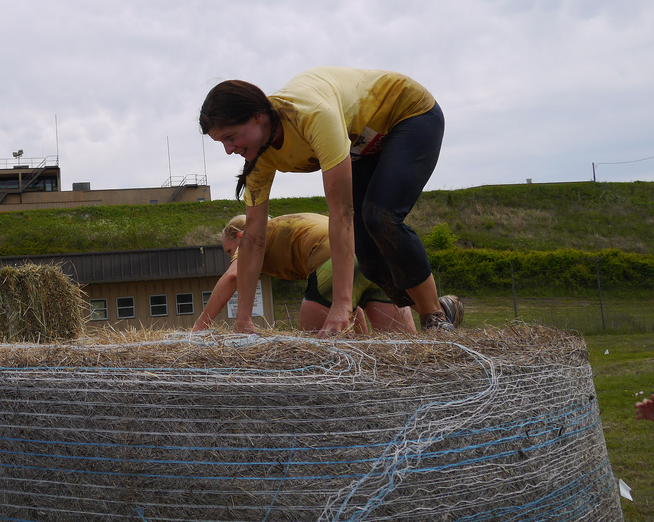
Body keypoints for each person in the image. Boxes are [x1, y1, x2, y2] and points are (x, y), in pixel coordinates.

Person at [199, 66, 459, 334]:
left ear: (258, 117)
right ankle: (440, 307)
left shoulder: (312, 115)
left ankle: (434, 320)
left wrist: (342, 303)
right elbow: (253, 237)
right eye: (222, 143)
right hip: (363, 144)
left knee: (379, 216)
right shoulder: (259, 154)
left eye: (230, 137)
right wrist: (244, 321)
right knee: (368, 257)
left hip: (408, 114)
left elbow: (342, 213)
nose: (229, 150)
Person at [192, 212, 419, 334]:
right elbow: (351, 299)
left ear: (240, 237)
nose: (231, 257)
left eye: (230, 250)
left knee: (312, 354)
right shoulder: (287, 228)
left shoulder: (252, 240)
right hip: (376, 252)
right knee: (405, 350)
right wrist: (361, 339)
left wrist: (199, 328)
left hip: (336, 260)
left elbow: (233, 276)